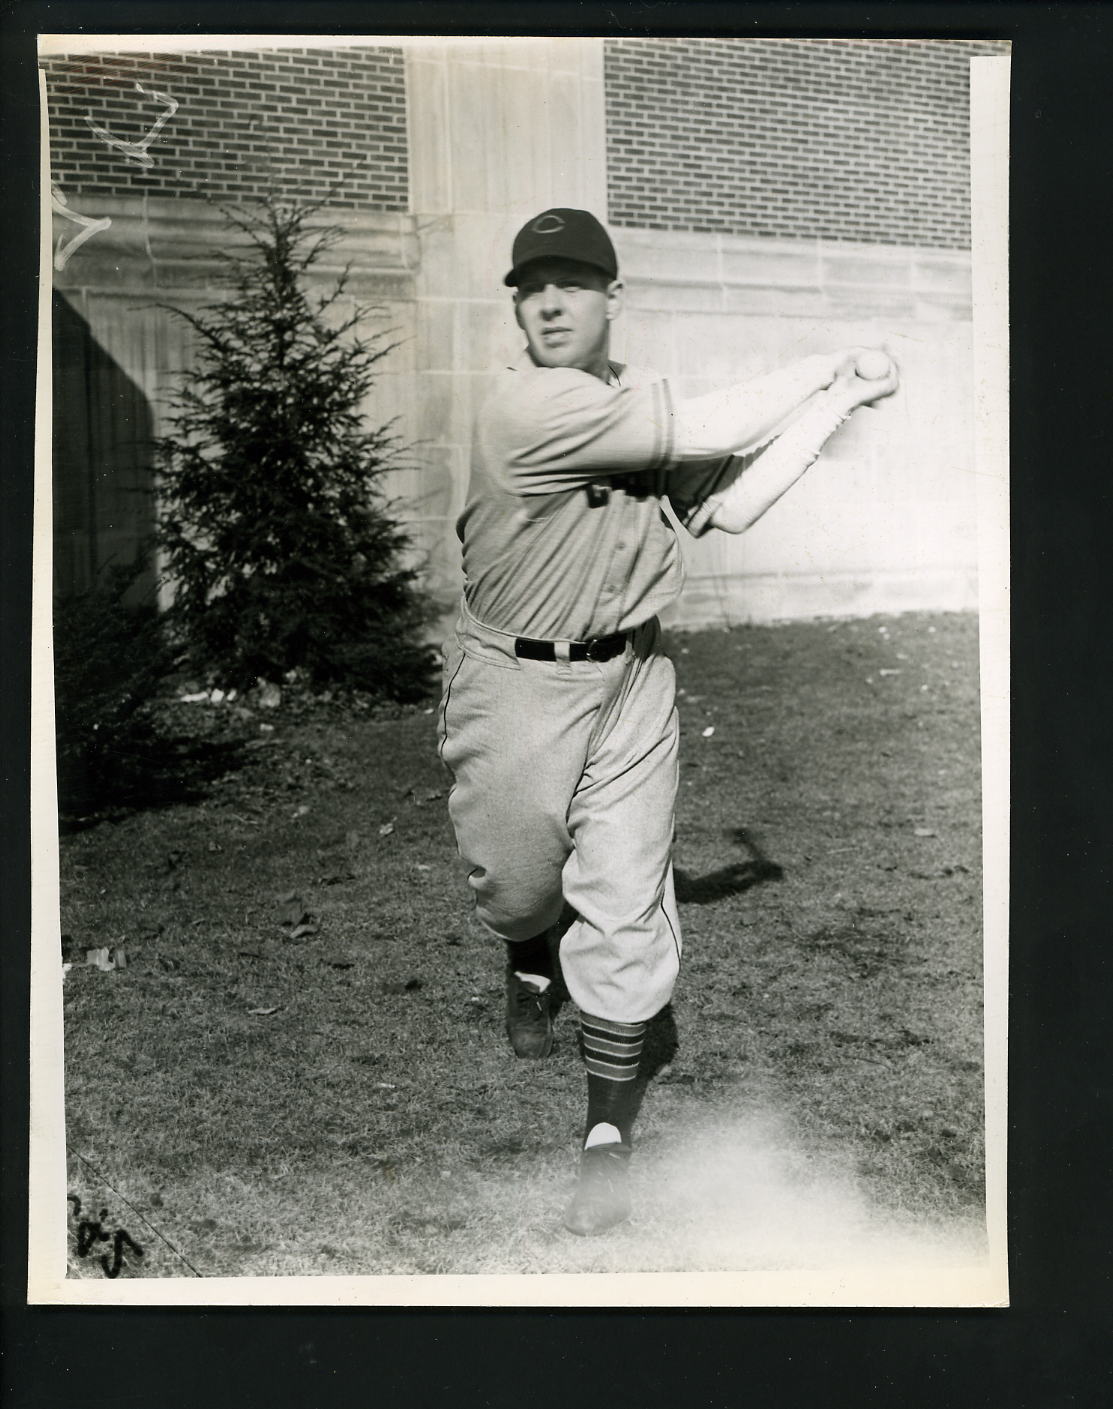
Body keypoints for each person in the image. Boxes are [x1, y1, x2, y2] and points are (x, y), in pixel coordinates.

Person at [436, 208, 899, 1236]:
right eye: (532, 286)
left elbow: (729, 501)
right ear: (517, 304)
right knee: (518, 882)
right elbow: (715, 425)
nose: (549, 302)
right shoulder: (530, 406)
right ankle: (524, 952)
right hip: (517, 683)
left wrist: (841, 405)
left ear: (612, 297)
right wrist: (831, 363)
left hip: (633, 677)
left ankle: (604, 1136)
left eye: (572, 283)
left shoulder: (626, 402)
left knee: (626, 891)